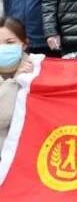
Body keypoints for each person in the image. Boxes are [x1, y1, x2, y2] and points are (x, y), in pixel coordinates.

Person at [0, 17, 43, 149]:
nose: (2, 48)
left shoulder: (38, 68)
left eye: (9, 42)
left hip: (31, 149)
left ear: (24, 44)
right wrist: (15, 81)